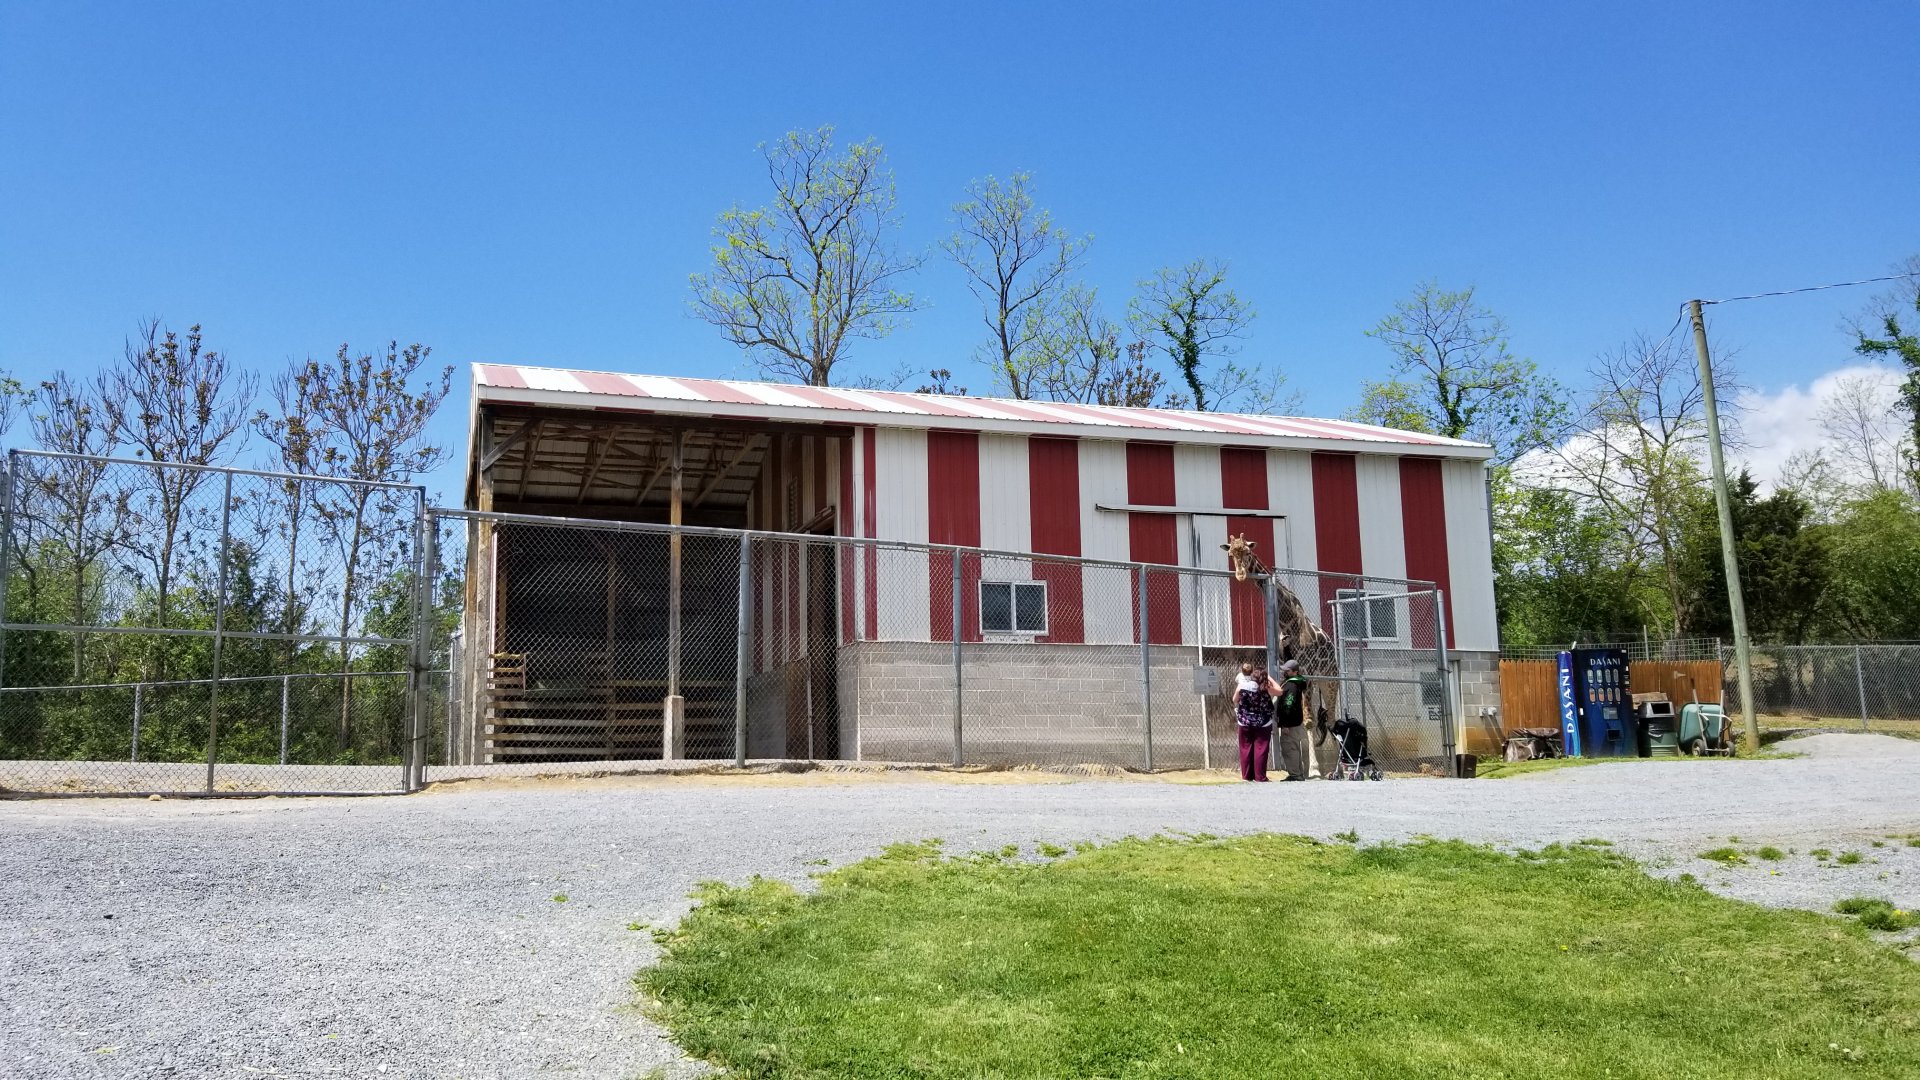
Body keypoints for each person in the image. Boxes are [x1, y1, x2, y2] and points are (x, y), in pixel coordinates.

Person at [1233, 662, 1283, 782]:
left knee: (1245, 748)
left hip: (1245, 722)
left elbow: (1234, 700)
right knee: (1260, 749)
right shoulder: (1265, 688)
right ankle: (1260, 776)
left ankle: (1247, 776)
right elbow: (1280, 691)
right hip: (1263, 722)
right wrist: (1269, 678)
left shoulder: (1242, 686)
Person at [1274, 659, 1312, 780]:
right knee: (1294, 748)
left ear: (1294, 672)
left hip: (1290, 724)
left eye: (1287, 670)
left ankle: (1295, 774)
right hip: (1295, 722)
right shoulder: (1294, 683)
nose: (1285, 671)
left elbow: (1288, 705)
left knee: (1290, 748)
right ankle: (1298, 774)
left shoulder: (1291, 686)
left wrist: (1285, 724)